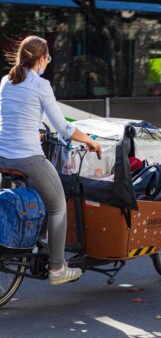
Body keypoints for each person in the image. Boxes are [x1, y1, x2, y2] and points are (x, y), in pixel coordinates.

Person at [0, 36, 102, 284]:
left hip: (3, 156)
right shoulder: (40, 85)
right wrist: (90, 141)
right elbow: (64, 128)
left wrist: (34, 129)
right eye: (48, 58)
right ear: (42, 59)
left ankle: (33, 241)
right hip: (27, 157)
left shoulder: (6, 81)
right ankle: (57, 268)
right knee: (57, 206)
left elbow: (12, 117)